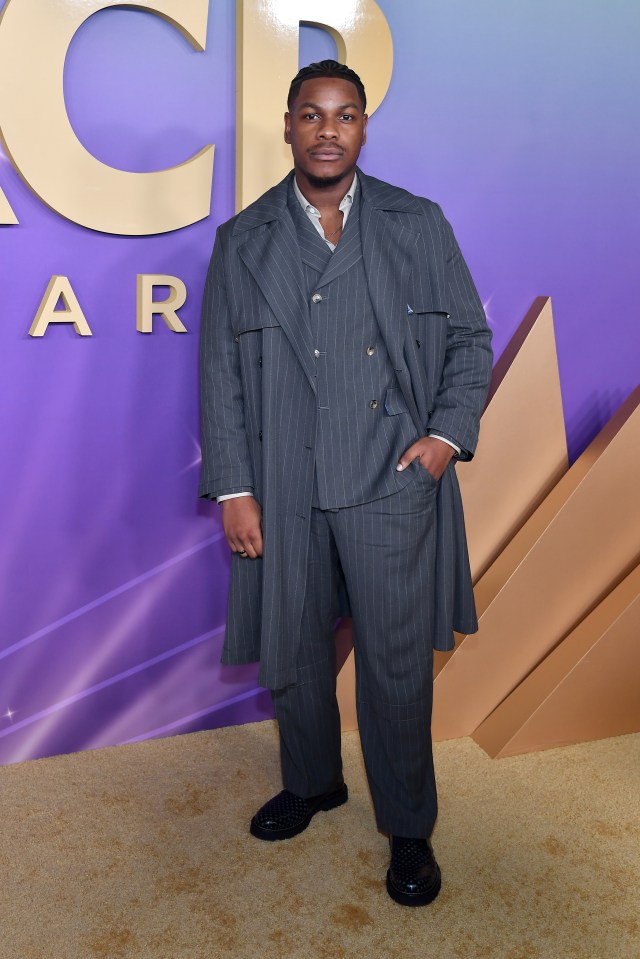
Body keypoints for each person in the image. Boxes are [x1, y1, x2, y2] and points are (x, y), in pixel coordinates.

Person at [199, 60, 492, 906]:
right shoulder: (243, 239)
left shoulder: (417, 223)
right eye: (311, 115)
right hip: (282, 484)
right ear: (287, 126)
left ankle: (408, 828)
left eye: (346, 115)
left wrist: (443, 439)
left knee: (396, 668)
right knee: (293, 651)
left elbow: (471, 340)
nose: (328, 130)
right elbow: (220, 372)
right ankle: (315, 781)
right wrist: (234, 488)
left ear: (364, 129)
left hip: (390, 478)